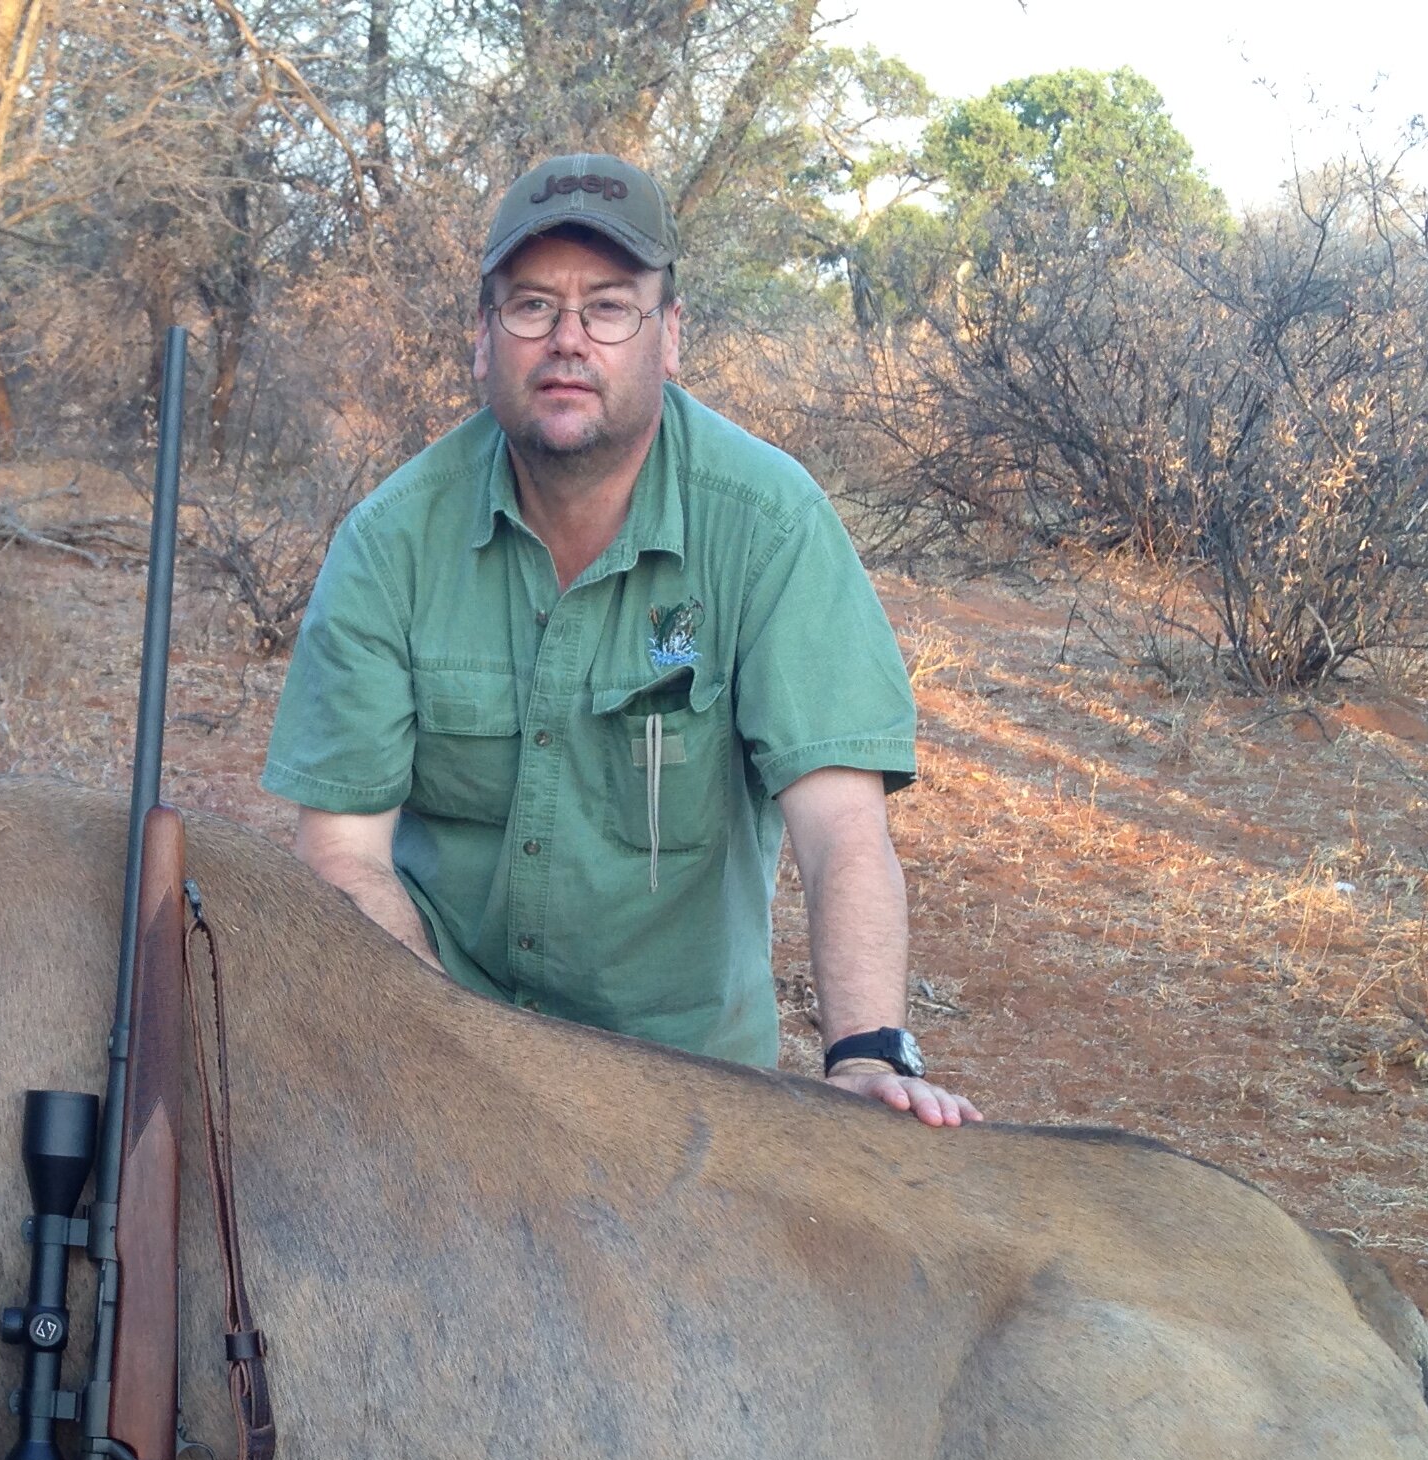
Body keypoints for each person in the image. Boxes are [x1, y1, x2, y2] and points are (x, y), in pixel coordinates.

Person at [262, 152, 977, 1125]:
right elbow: (343, 852)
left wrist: (863, 1054)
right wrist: (454, 1051)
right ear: (482, 339)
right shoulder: (391, 540)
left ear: (668, 335)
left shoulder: (767, 523)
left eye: (607, 307)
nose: (567, 340)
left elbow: (841, 825)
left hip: (682, 1083)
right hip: (440, 1041)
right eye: (530, 308)